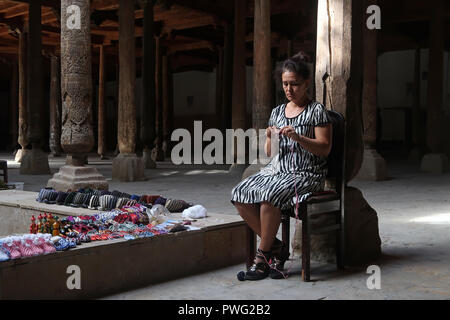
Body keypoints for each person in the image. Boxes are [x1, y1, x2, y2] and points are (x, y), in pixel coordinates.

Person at [230, 52, 333, 280]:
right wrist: (270, 137)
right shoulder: (277, 112)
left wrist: (299, 138)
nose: (289, 89)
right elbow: (270, 153)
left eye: (294, 84)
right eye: (285, 84)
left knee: (269, 195)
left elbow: (324, 148)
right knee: (239, 193)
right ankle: (278, 248)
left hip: (306, 173)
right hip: (278, 170)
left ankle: (262, 258)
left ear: (306, 83)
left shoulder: (316, 111)